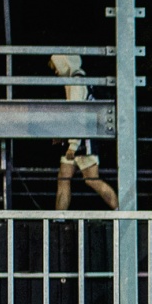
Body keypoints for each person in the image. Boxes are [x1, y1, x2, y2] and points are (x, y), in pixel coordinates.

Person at [49, 55, 119, 211]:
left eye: (56, 67)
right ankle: (60, 218)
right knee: (64, 178)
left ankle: (119, 211)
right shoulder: (81, 80)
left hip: (82, 139)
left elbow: (77, 115)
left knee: (91, 179)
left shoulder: (76, 83)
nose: (56, 72)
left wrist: (72, 145)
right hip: (80, 137)